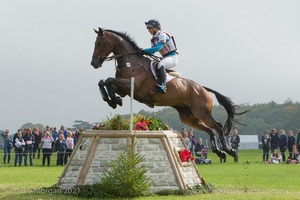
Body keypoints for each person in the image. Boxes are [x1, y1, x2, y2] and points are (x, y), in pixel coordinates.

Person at [142, 19, 179, 94]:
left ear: (155, 28)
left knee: (161, 64)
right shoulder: (153, 39)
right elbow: (153, 52)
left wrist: (144, 50)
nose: (148, 30)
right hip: (165, 58)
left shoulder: (162, 35)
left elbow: (157, 48)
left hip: (173, 57)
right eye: (147, 28)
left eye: (149, 28)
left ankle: (163, 85)